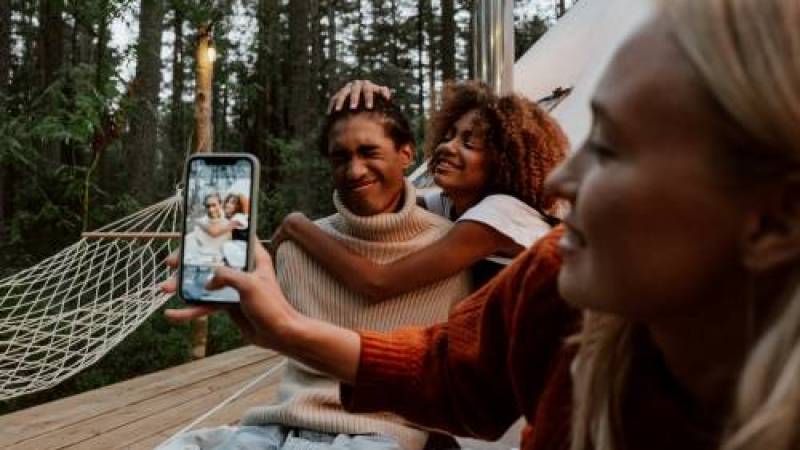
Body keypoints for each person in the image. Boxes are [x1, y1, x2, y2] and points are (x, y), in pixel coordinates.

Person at [165, 0, 800, 449]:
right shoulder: (546, 274)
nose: (562, 185)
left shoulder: (505, 223)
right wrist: (281, 324)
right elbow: (446, 366)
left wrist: (295, 226)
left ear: (773, 220)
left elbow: (383, 279)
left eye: (610, 150)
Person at [162, 95, 471, 450]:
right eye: (341, 157)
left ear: (406, 153)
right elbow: (277, 336)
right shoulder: (296, 249)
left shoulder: (449, 250)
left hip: (381, 435)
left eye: (369, 152)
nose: (354, 170)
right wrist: (236, 304)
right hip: (278, 426)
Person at [273, 80, 568, 297]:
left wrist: (298, 226)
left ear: (502, 161)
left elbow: (379, 283)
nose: (447, 147)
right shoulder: (450, 206)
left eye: (468, 143)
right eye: (448, 136)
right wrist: (366, 99)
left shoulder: (500, 215)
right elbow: (392, 202)